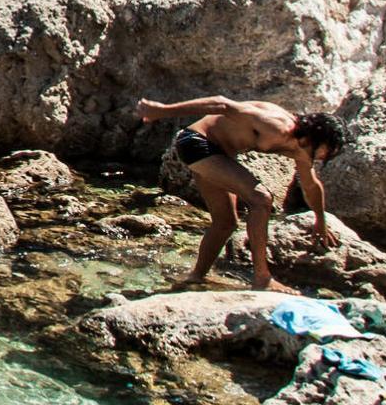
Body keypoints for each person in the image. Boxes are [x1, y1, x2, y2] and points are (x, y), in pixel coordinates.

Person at [136, 96, 345, 289]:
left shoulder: (302, 150)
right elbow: (222, 104)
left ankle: (195, 277)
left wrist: (320, 220)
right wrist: (162, 110)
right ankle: (262, 278)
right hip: (196, 142)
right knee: (261, 199)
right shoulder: (275, 124)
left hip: (221, 154)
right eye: (326, 151)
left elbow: (311, 185)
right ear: (316, 137)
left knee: (226, 222)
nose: (324, 158)